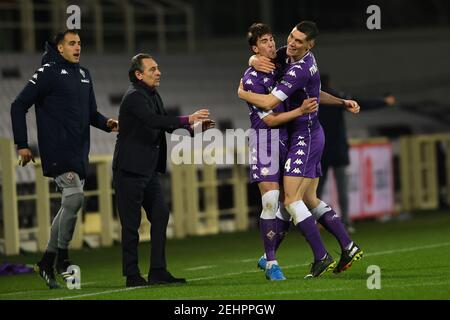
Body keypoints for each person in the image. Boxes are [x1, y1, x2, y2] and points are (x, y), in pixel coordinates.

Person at [239, 21, 363, 278]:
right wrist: (341, 101)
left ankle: (319, 256)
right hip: (300, 135)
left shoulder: (300, 69)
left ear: (310, 45)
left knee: (289, 200)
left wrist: (241, 92)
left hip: (304, 137)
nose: (290, 44)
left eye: (298, 41)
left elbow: (272, 104)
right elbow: (315, 94)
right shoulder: (289, 54)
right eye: (291, 38)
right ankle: (347, 246)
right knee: (309, 199)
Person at [10, 29, 118, 289]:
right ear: (59, 48)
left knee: (71, 203)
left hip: (79, 151)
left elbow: (91, 113)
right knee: (74, 197)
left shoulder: (84, 74)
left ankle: (50, 260)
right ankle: (58, 259)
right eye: (71, 43)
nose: (77, 47)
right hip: (57, 150)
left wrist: (107, 123)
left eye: (79, 43)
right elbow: (18, 105)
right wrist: (22, 145)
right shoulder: (48, 72)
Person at [113, 53, 214, 287]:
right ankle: (132, 275)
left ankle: (158, 271)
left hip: (147, 171)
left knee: (160, 214)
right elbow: (153, 121)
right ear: (139, 74)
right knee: (131, 224)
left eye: (157, 68)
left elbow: (162, 122)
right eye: (152, 69)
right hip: (129, 171)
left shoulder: (151, 94)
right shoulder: (134, 97)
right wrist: (188, 118)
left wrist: (194, 128)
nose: (158, 72)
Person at [242, 23, 319, 281]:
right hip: (265, 141)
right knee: (271, 200)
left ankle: (269, 256)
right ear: (255, 47)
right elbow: (270, 120)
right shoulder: (250, 78)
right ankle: (273, 263)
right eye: (264, 41)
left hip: (286, 139)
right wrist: (241, 90)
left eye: (272, 39)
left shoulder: (282, 63)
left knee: (288, 204)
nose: (272, 44)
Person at [317, 74, 397, 233]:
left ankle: (313, 223)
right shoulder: (338, 97)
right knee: (342, 189)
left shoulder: (311, 98)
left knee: (316, 191)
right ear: (330, 83)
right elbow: (362, 104)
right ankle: (346, 222)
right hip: (338, 148)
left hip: (320, 148)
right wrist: (384, 101)